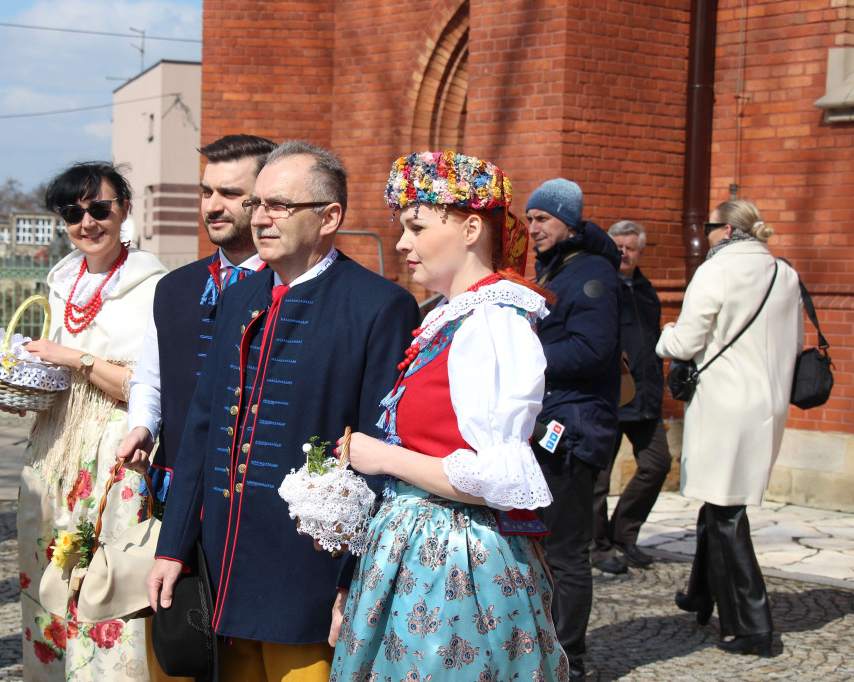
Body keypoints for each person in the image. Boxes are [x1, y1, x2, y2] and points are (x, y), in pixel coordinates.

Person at [147, 140, 421, 681]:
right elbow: (201, 428)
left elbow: (381, 454)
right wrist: (172, 546)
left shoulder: (379, 306)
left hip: (308, 575)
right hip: (223, 563)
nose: (261, 219)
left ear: (329, 217)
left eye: (280, 206)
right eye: (259, 205)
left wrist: (352, 578)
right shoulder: (239, 295)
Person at [331, 151, 568, 681]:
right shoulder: (449, 318)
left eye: (416, 226)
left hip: (458, 558)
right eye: (403, 227)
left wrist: (384, 457)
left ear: (470, 228)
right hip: (418, 545)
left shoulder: (493, 323)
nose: (401, 243)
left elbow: (498, 479)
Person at [16, 161, 167, 680]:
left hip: (114, 446)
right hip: (54, 441)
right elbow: (50, 367)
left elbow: (147, 385)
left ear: (124, 210)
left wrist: (71, 358)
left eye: (99, 208)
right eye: (72, 212)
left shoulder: (153, 284)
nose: (88, 222)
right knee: (45, 562)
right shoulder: (62, 279)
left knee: (106, 576)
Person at [657, 199, 801, 657]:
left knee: (726, 512)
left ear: (723, 230)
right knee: (722, 502)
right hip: (768, 402)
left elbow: (685, 341)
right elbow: (794, 344)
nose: (703, 236)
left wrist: (663, 334)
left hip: (724, 403)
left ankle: (754, 626)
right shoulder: (784, 273)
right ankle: (702, 593)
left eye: (706, 227)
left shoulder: (716, 271)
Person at [117, 134, 276, 487]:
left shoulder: (291, 289)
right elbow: (151, 379)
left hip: (257, 491)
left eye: (230, 194)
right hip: (179, 481)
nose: (212, 206)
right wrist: (142, 426)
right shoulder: (174, 288)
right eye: (207, 192)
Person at [525, 178, 621, 680]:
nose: (533, 227)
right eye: (530, 219)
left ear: (569, 221)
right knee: (544, 546)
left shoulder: (592, 274)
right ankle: (547, 647)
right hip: (551, 423)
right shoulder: (559, 266)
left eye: (543, 218)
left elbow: (593, 350)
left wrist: (525, 354)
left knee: (565, 551)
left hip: (575, 427)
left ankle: (571, 658)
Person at [591, 220, 672, 575]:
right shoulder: (602, 287)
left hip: (645, 398)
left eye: (630, 247)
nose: (623, 252)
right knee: (598, 480)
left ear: (640, 252)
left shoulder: (645, 289)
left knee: (658, 463)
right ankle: (598, 546)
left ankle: (624, 533)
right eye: (617, 246)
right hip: (611, 396)